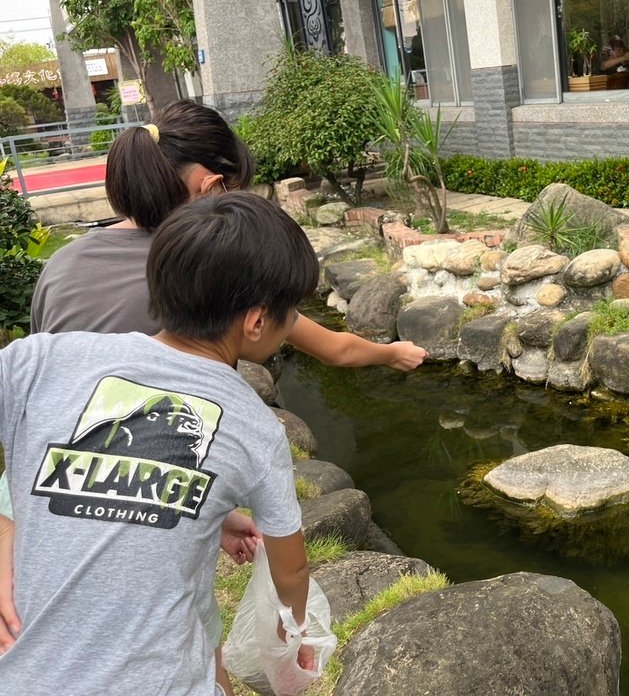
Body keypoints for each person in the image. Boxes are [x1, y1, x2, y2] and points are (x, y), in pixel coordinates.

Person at [0, 100, 427, 690]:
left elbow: (102, 432)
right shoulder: (250, 418)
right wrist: (294, 633)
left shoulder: (44, 343)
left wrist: (7, 527)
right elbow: (291, 565)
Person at [0, 192, 317, 694]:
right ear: (257, 321)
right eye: (293, 310)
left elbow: (133, 477)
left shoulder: (39, 359)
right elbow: (292, 566)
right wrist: (291, 627)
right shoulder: (256, 428)